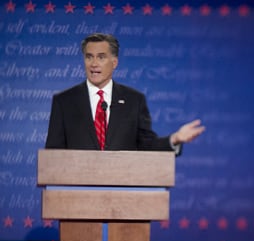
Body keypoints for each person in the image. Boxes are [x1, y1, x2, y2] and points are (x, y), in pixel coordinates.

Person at [45, 33, 204, 153]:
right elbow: (53, 155)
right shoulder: (64, 101)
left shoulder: (134, 101)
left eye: (101, 57)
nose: (94, 64)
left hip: (121, 191)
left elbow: (146, 145)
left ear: (114, 63)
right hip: (74, 191)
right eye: (89, 57)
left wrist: (175, 139)